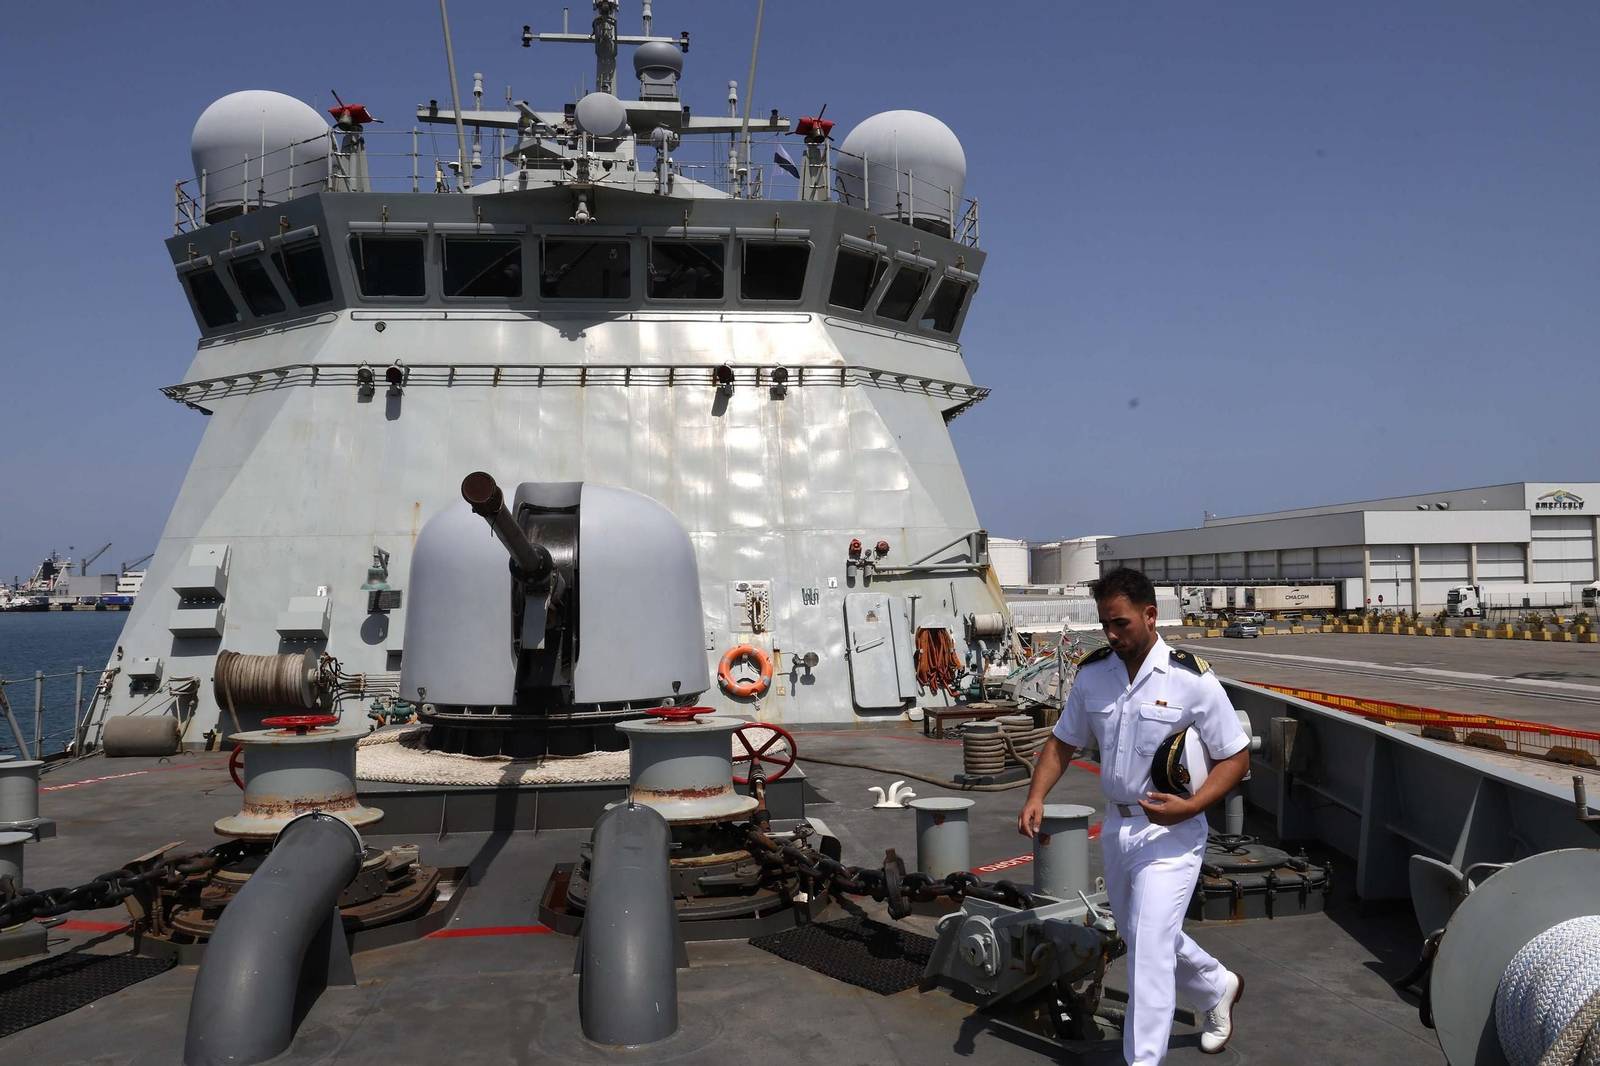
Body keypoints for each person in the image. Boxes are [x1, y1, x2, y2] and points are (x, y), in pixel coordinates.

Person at [1018, 567, 1250, 1066]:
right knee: (1144, 932)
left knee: (1147, 956)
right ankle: (1216, 986)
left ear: (1150, 615)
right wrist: (1036, 795)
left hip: (1173, 831)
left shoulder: (1192, 679)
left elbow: (1235, 756)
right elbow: (1063, 741)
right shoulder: (1094, 673)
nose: (1110, 634)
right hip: (1119, 827)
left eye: (1120, 623)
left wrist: (1191, 805)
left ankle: (1142, 1061)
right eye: (1104, 623)